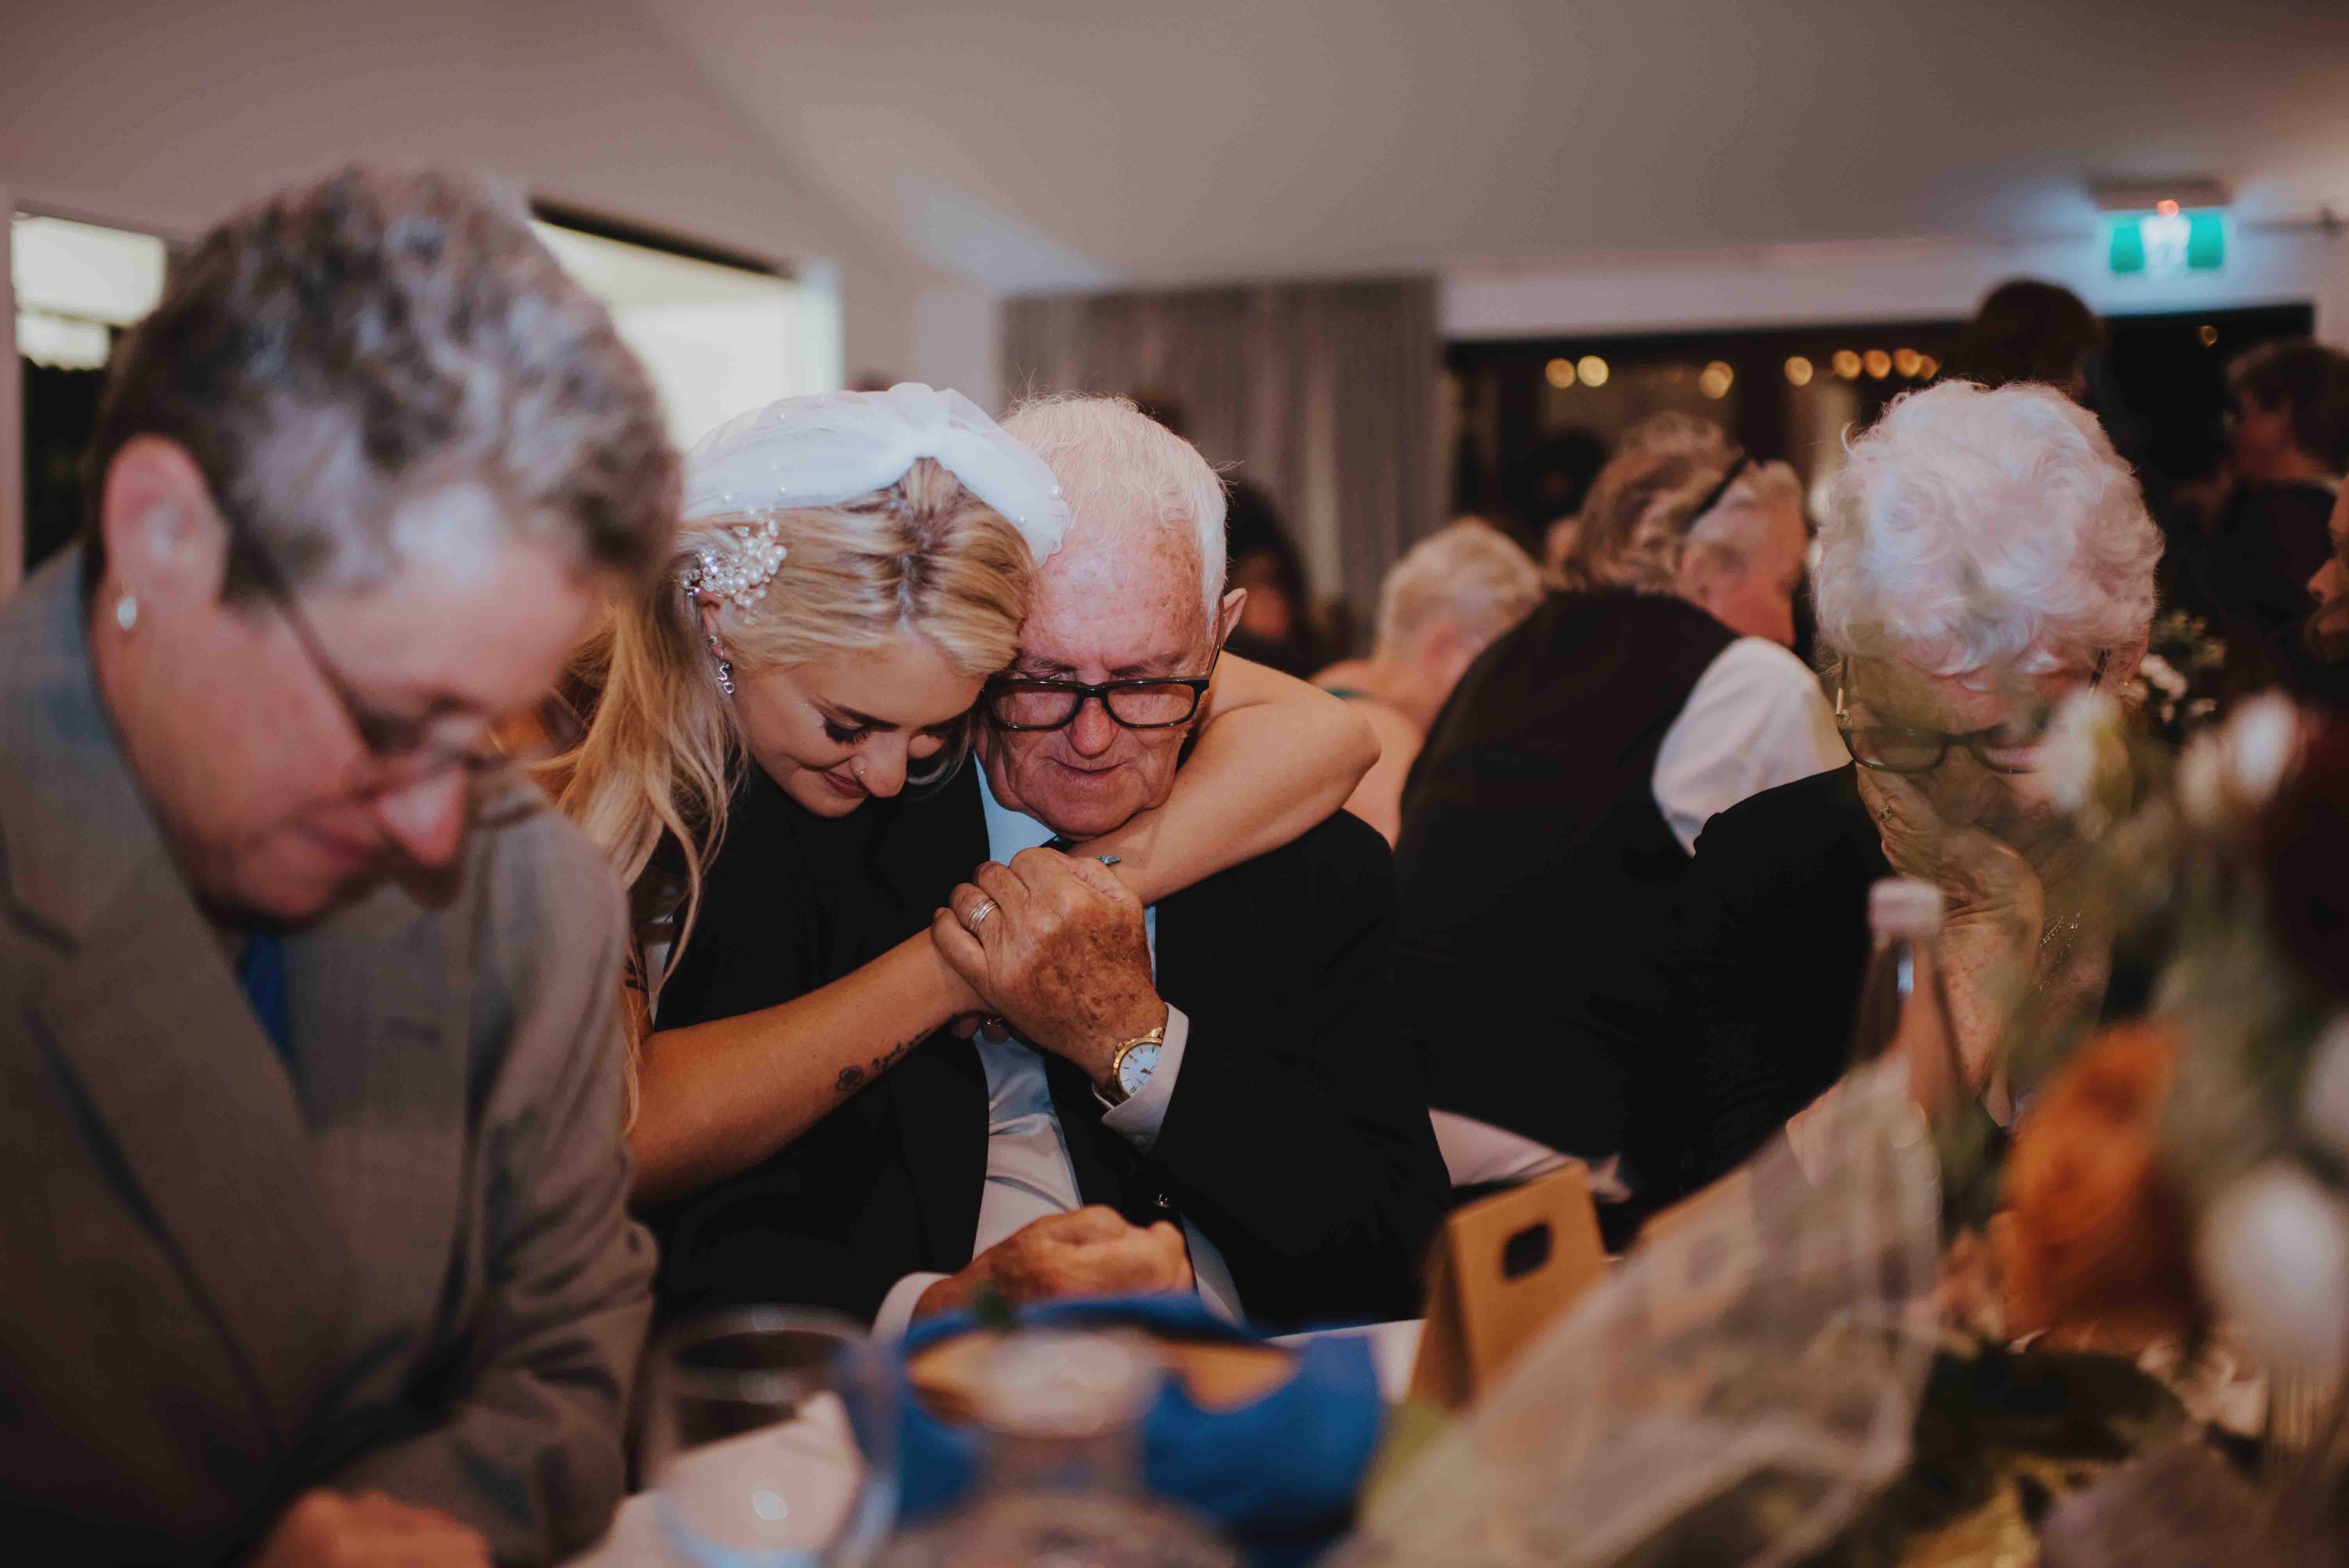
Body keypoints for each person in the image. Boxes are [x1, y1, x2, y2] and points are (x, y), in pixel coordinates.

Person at [0, 169, 668, 1564]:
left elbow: (570, 1365)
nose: (435, 834)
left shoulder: (530, 897)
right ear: (166, 535)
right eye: (387, 724)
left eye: (482, 738)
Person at [653, 394, 1445, 1334]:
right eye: (1043, 679)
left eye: (1146, 681)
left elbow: (1402, 1249)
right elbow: (704, 1234)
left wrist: (1138, 1046)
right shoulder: (821, 826)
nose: (1093, 738)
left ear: (1219, 634)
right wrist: (934, 1308)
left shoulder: (1313, 866)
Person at [1653, 381, 2162, 1201]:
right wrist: (1980, 939)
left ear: (2122, 664)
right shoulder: (1762, 873)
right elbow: (1744, 1237)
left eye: (2009, 740)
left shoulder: (2213, 872)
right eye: (1902, 738)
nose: (1955, 795)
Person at [1392, 413, 1843, 1212]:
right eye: (1782, 588)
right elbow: (1829, 936)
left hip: (1394, 1131)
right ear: (1699, 571)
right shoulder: (1752, 680)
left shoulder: (1502, 658)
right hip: (1578, 1168)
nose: (1787, 626)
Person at [1314, 519, 1543, 842]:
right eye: (1507, 667)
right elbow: (1430, 869)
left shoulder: (1335, 692)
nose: (1516, 697)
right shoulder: (1377, 742)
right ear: (1446, 652)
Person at [2184, 339, 2349, 698]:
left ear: (2283, 417)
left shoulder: (2279, 517)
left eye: (2242, 415)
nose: (2233, 431)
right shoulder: (2331, 504)